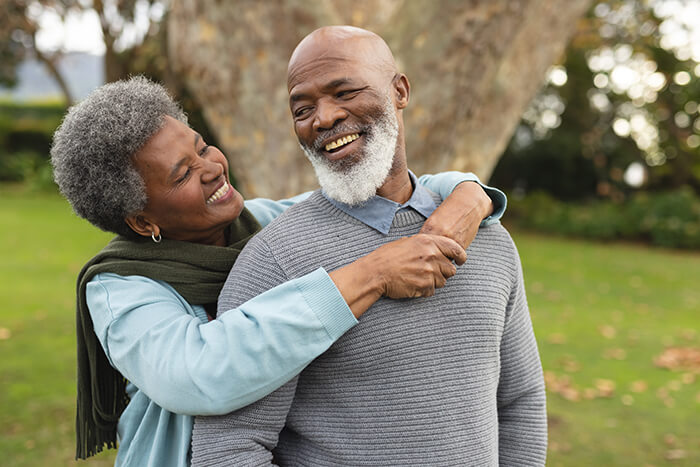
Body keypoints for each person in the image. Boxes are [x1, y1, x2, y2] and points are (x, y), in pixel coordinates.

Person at [49, 76, 507, 466]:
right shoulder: (122, 291)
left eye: (202, 147)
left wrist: (469, 191)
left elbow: (389, 191)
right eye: (182, 175)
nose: (211, 168)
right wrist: (372, 274)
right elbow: (201, 373)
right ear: (143, 222)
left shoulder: (269, 225)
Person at [191, 26, 547, 466]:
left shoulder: (488, 236)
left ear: (400, 90)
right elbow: (228, 446)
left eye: (344, 92)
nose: (323, 118)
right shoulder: (273, 260)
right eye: (302, 108)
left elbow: (520, 401)